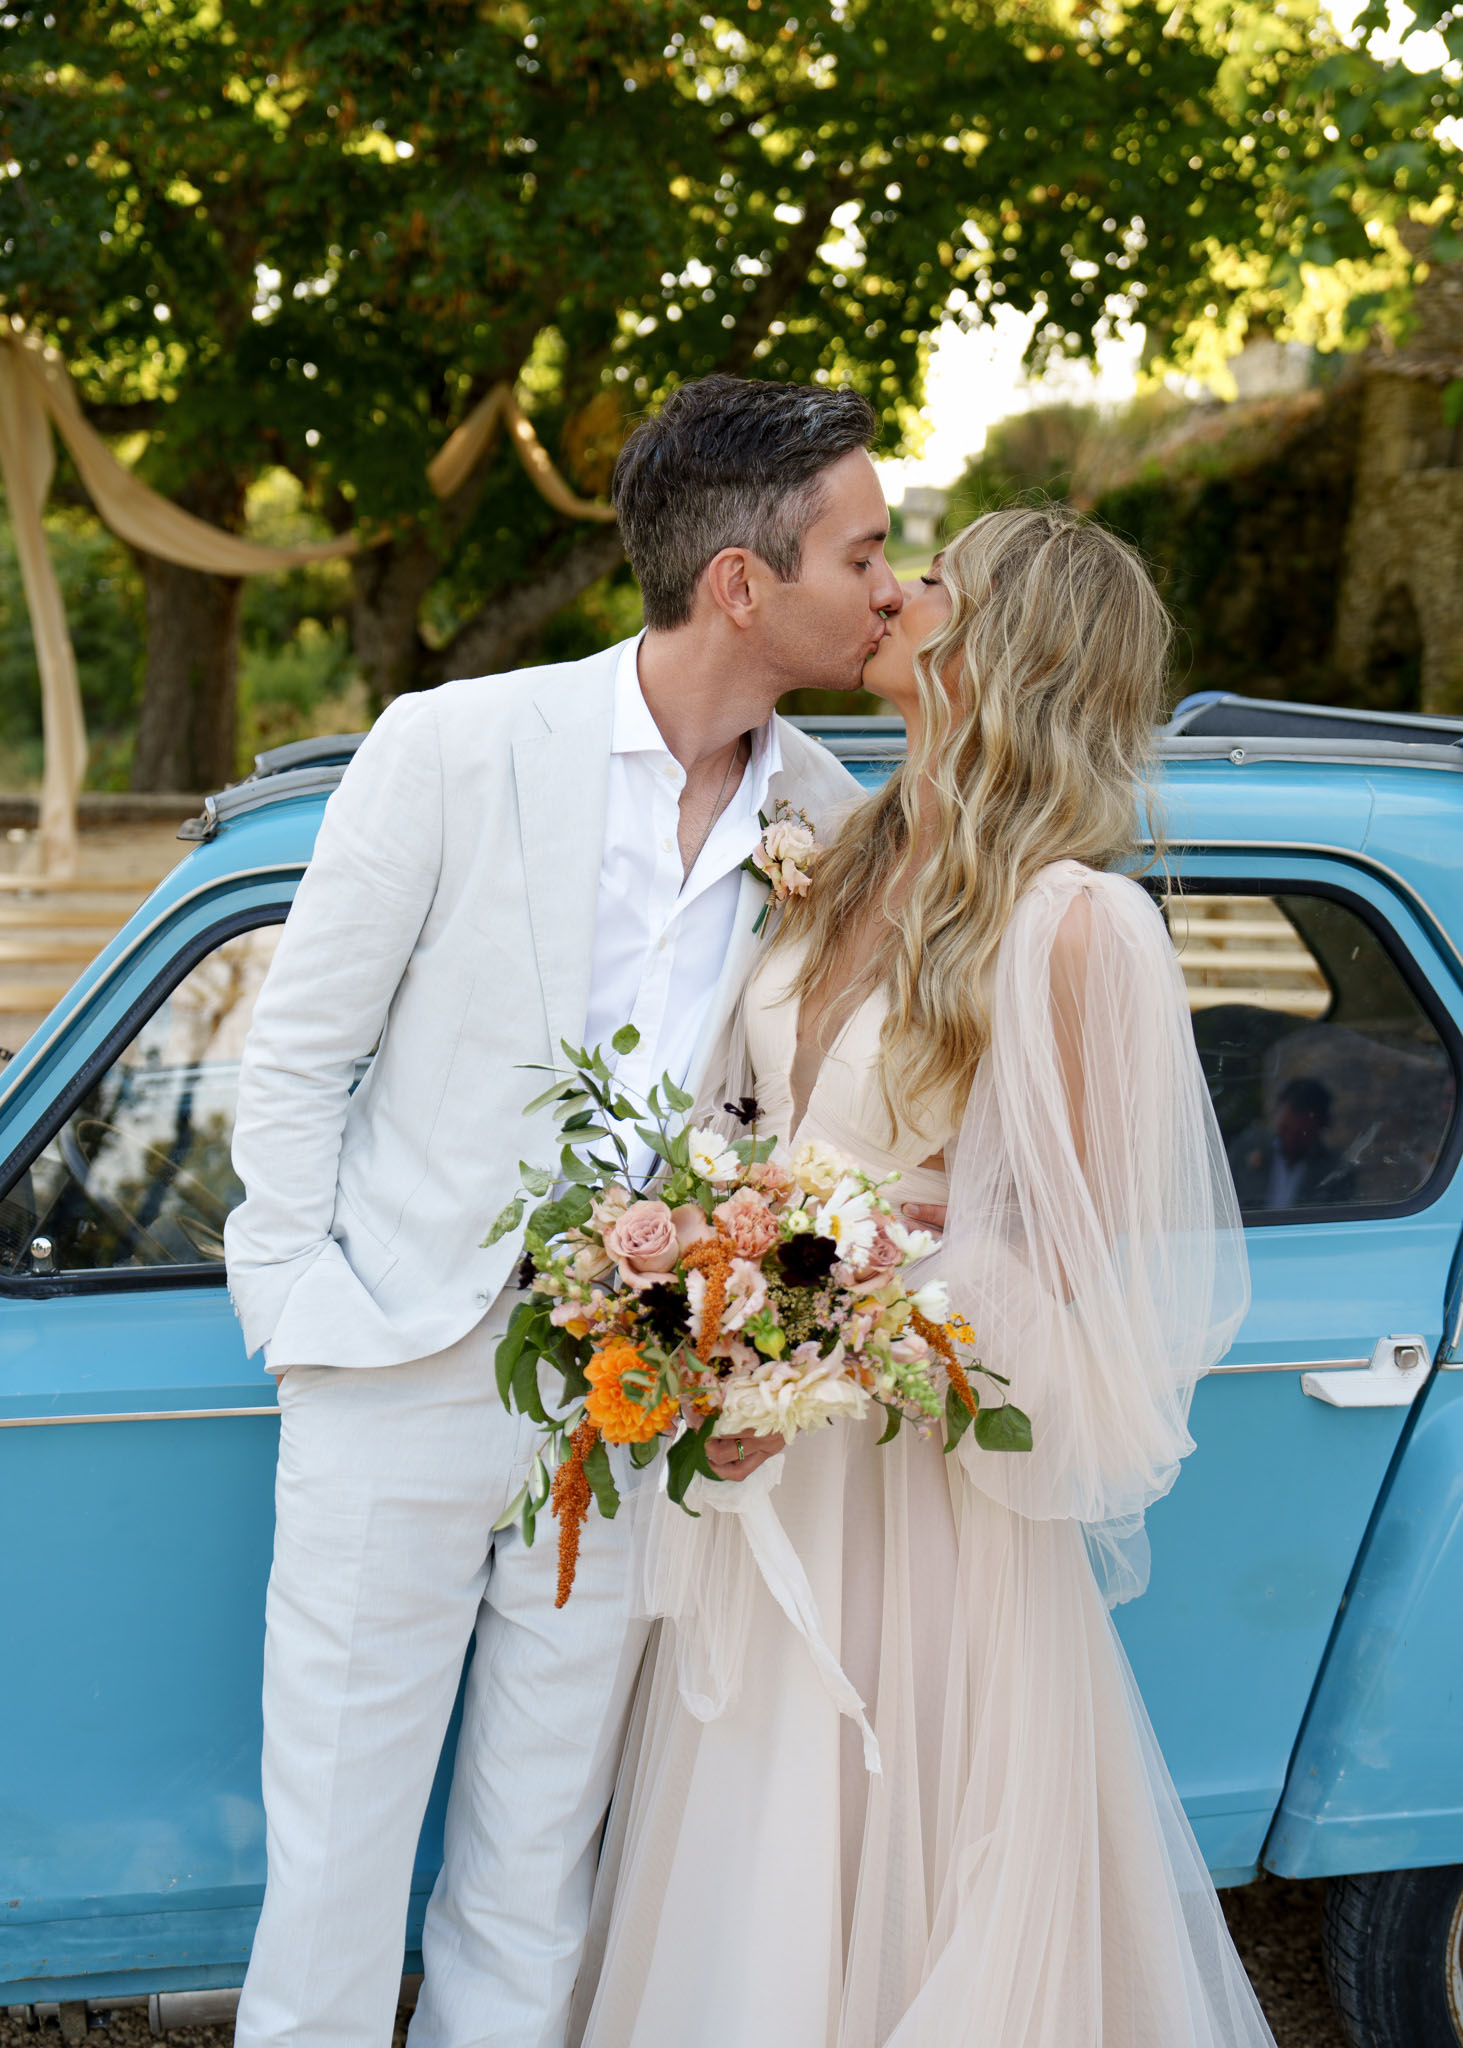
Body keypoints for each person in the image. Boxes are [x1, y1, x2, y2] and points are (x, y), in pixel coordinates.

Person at [223, 374, 905, 2048]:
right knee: (330, 1865)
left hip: (627, 1408)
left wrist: (743, 1349)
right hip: (392, 1370)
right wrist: (303, 1319)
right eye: (864, 549)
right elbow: (297, 1051)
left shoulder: (828, 815)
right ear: (742, 581)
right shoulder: (450, 745)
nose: (890, 586)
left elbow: (801, 1123)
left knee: (536, 1866)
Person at [572, 506, 1275, 2047]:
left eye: (933, 572)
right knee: (752, 1866)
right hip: (777, 1474)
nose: (892, 590)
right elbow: (752, 1131)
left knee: (909, 1866)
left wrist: (825, 1326)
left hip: (925, 1508)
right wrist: (714, 1297)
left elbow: (1078, 1280)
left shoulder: (1076, 926)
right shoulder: (834, 849)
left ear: (1005, 642)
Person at [1228, 1073, 1357, 1210]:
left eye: (1300, 1134)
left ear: (1319, 1128)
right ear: (1276, 1117)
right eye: (1284, 1129)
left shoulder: (1336, 1172)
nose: (1290, 1139)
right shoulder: (1245, 1151)